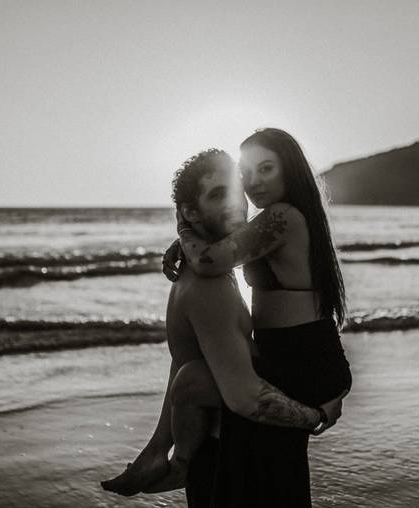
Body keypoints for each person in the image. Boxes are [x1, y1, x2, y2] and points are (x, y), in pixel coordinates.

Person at [100, 149, 347, 506]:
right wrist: (316, 417)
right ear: (191, 211)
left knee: (193, 379)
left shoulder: (216, 265)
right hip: (246, 440)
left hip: (253, 421)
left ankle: (178, 463)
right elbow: (218, 382)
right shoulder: (209, 283)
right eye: (218, 194)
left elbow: (201, 374)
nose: (235, 202)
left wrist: (160, 447)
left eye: (236, 190)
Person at [163, 128, 353, 507]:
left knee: (196, 385)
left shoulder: (282, 216)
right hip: (292, 357)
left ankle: (180, 466)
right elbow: (223, 245)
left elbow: (209, 260)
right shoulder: (274, 219)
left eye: (266, 168)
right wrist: (185, 239)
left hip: (303, 361)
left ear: (289, 169)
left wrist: (183, 228)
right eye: (246, 173)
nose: (254, 182)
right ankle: (181, 464)